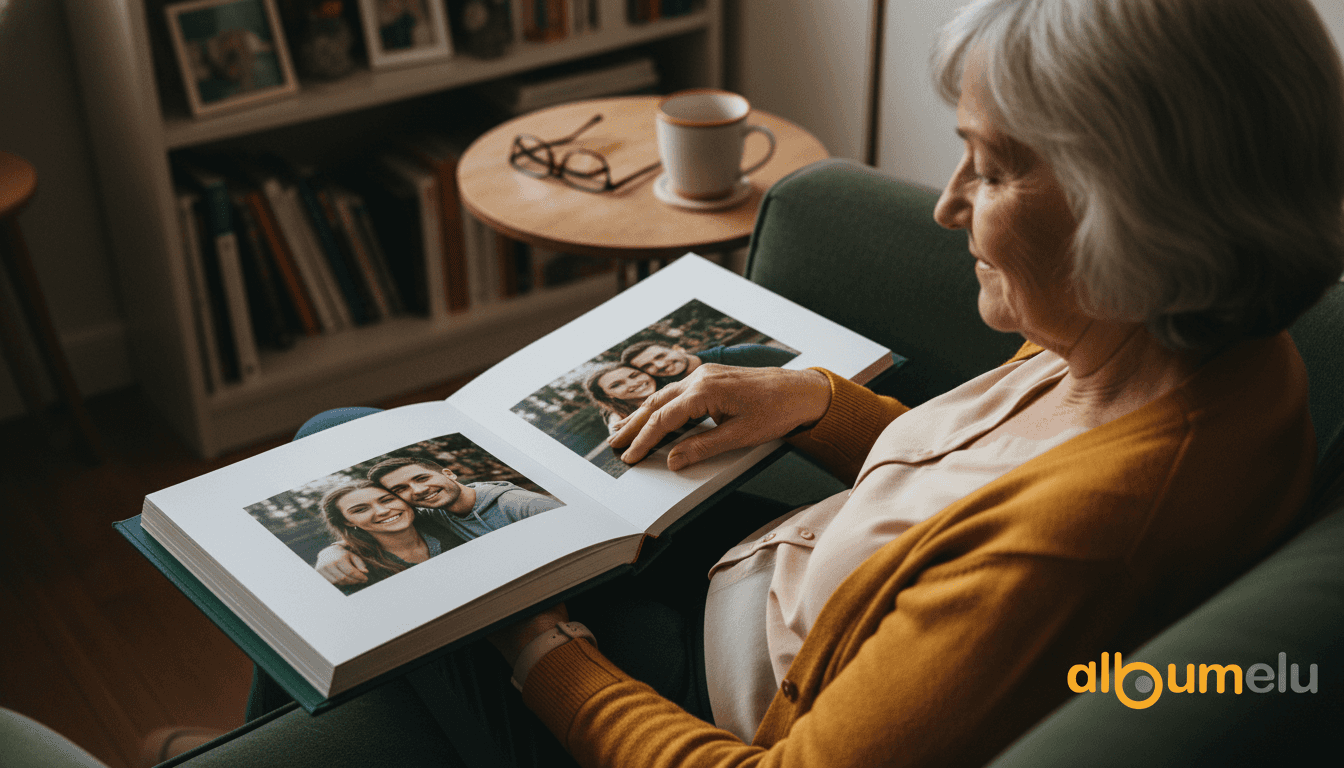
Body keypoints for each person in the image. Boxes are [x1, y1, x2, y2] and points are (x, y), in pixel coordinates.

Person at [231, 1, 1344, 766]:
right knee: (360, 455)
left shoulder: (1094, 531)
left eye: (994, 169)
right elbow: (973, 496)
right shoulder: (1179, 332)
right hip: (767, 588)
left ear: (1139, 211)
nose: (950, 205)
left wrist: (538, 645)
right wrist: (816, 405)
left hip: (712, 709)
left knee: (337, 432)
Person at [315, 457, 564, 587]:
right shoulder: (432, 516)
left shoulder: (520, 504)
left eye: (422, 478)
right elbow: (380, 526)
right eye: (401, 489)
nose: (419, 490)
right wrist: (331, 550)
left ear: (449, 473)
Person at [319, 480, 464, 595]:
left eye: (387, 500)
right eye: (360, 509)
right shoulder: (352, 569)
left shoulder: (448, 523)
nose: (383, 511)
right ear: (347, 521)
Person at [620, 339, 798, 381]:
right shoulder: (669, 390)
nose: (660, 365)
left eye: (660, 356)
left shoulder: (745, 353)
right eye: (647, 366)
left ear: (678, 349)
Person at [584, 363, 661, 435]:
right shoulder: (618, 418)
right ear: (606, 395)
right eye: (616, 385)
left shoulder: (668, 380)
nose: (633, 384)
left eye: (634, 375)